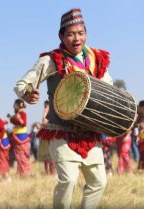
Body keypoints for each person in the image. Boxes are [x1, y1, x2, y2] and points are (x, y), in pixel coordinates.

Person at [14, 8, 113, 209]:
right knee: (68, 180)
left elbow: (109, 88)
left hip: (89, 131)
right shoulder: (52, 60)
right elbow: (21, 84)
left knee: (99, 182)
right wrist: (26, 93)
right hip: (62, 130)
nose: (76, 38)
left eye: (81, 33)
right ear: (61, 36)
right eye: (70, 34)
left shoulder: (96, 57)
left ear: (86, 33)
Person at [7, 99, 32, 177]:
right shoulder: (18, 114)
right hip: (18, 137)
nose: (13, 106)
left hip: (21, 138)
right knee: (20, 157)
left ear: (19, 105)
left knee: (22, 157)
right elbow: (15, 121)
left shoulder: (22, 113)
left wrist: (18, 118)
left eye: (14, 105)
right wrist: (12, 118)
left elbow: (23, 123)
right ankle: (21, 173)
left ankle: (25, 173)